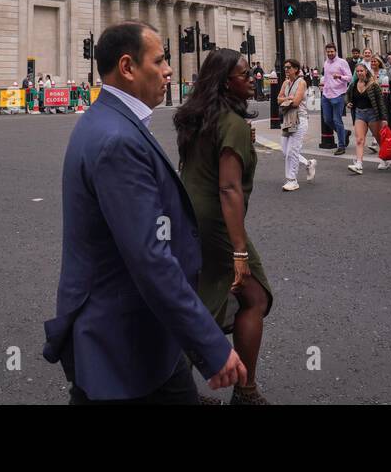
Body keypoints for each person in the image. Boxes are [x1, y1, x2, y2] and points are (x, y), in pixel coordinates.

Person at [43, 22, 245, 404]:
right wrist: (210, 345)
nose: (170, 69)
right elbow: (149, 257)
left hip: (137, 333)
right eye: (160, 59)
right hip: (122, 336)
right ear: (128, 67)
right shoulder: (117, 139)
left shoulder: (106, 120)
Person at [175, 46, 272, 404]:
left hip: (192, 214)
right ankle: (243, 391)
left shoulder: (198, 117)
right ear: (225, 83)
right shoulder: (231, 125)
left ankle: (178, 387)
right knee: (251, 296)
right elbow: (229, 188)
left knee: (205, 297)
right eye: (244, 75)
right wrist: (240, 252)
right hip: (217, 220)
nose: (252, 79)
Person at [277, 58, 315, 191]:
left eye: (288, 67)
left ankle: (292, 180)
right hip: (288, 119)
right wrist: (287, 98)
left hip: (299, 118)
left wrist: (286, 100)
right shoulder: (285, 83)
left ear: (295, 69)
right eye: (285, 67)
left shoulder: (301, 82)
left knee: (292, 150)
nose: (286, 70)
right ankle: (308, 163)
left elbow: (296, 102)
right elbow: (278, 99)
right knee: (285, 150)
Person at [345, 61, 388, 175]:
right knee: (359, 140)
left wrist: (384, 119)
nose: (359, 73)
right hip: (359, 114)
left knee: (378, 138)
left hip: (373, 114)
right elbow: (347, 95)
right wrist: (348, 103)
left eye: (361, 71)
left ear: (366, 71)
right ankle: (359, 164)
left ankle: (384, 159)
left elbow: (381, 103)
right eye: (357, 71)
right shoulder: (354, 84)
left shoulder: (373, 84)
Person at [320, 42, 352, 156]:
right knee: (327, 120)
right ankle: (344, 133)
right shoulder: (326, 63)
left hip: (338, 95)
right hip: (326, 94)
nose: (330, 53)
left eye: (332, 51)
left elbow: (350, 78)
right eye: (328, 52)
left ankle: (341, 146)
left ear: (335, 51)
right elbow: (327, 78)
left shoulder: (342, 62)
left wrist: (340, 77)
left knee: (337, 120)